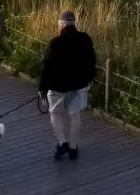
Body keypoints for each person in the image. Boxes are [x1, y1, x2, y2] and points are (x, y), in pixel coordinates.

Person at [38, 11, 97, 161]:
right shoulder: (85, 39)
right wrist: (90, 78)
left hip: (58, 87)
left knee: (55, 113)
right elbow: (91, 61)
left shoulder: (55, 43)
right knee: (75, 115)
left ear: (62, 25)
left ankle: (62, 142)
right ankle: (73, 147)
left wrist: (42, 88)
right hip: (78, 85)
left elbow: (46, 67)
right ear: (74, 24)